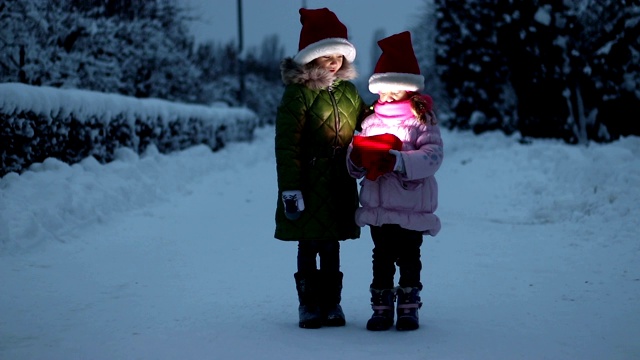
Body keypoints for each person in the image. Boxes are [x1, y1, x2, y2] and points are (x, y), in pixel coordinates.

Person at [274, 7, 367, 329]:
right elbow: (286, 144)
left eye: (339, 55)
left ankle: (332, 303)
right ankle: (309, 305)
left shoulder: (349, 92)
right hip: (308, 181)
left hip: (339, 180)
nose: (334, 61)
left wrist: (402, 107)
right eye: (327, 55)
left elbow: (369, 121)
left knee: (331, 244)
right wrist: (290, 187)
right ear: (312, 56)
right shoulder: (299, 93)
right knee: (308, 242)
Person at [346, 31, 444, 331]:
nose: (385, 96)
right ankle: (381, 307)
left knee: (410, 255)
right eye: (381, 90)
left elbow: (433, 155)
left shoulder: (420, 120)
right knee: (382, 256)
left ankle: (409, 306)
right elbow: (356, 149)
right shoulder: (371, 120)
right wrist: (357, 160)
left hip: (411, 204)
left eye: (393, 90)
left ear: (408, 88)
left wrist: (399, 160)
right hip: (379, 205)